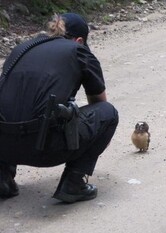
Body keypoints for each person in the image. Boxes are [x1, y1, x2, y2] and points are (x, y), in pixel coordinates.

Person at [0, 13, 119, 203]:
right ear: (79, 40)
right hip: (44, 148)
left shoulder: (20, 49)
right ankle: (74, 183)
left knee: (14, 107)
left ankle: (2, 179)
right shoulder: (78, 51)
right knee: (108, 113)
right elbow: (99, 101)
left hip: (4, 146)